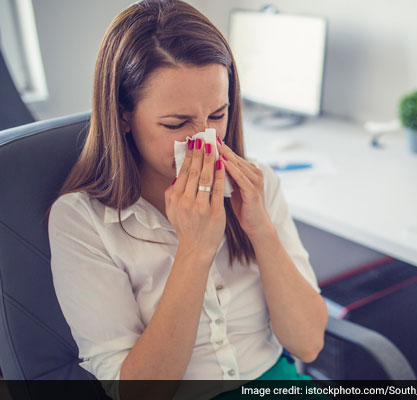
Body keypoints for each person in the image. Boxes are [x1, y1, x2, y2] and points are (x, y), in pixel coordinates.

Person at [47, 0, 328, 398]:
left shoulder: (256, 183)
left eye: (217, 115)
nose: (206, 140)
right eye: (177, 124)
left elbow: (308, 343)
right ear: (123, 115)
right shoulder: (81, 220)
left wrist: (260, 229)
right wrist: (195, 249)